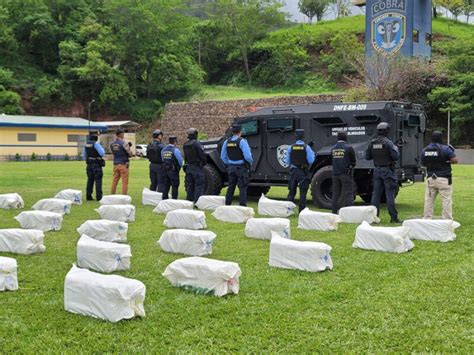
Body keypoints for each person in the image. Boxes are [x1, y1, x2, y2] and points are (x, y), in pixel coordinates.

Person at [365, 122, 401, 223]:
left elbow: (367, 157)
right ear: (387, 131)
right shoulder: (388, 143)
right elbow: (396, 157)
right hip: (387, 170)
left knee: (375, 194)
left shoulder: (372, 142)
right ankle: (393, 218)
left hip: (376, 170)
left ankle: (374, 217)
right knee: (390, 194)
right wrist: (396, 147)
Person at [421, 131, 458, 220]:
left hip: (431, 178)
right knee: (446, 200)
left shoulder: (425, 150)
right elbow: (455, 160)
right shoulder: (445, 149)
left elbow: (423, 163)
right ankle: (447, 220)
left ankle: (427, 219)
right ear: (441, 138)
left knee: (429, 200)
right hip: (444, 178)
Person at [220, 124, 253, 206]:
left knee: (231, 186)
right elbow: (248, 156)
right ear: (240, 132)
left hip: (231, 167)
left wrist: (229, 163)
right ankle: (242, 205)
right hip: (241, 167)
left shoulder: (226, 142)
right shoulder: (242, 141)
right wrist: (250, 163)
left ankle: (227, 204)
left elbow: (223, 156)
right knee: (242, 187)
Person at [285, 129, 316, 213]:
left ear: (295, 136)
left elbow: (287, 162)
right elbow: (311, 161)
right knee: (303, 192)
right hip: (303, 172)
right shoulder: (307, 147)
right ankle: (301, 211)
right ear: (303, 137)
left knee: (291, 192)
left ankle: (288, 211)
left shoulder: (290, 147)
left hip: (293, 171)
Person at [331, 130, 356, 214]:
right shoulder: (349, 148)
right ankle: (349, 213)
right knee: (348, 193)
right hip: (345, 174)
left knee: (336, 194)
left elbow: (332, 160)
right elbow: (353, 162)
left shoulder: (333, 148)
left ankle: (334, 212)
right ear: (346, 137)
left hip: (335, 174)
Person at [183, 128, 207, 203]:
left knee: (190, 185)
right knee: (199, 185)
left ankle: (189, 201)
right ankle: (197, 202)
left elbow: (185, 157)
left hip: (189, 166)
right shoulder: (196, 144)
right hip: (197, 167)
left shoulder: (185, 144)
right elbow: (202, 155)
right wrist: (203, 162)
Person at [83, 131, 105, 201]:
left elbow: (84, 155)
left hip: (89, 164)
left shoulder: (85, 144)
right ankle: (99, 197)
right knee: (98, 181)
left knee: (90, 180)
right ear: (96, 139)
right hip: (96, 164)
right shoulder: (96, 144)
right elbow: (102, 153)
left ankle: (88, 196)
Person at [110, 128, 133, 195]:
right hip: (123, 164)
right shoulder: (124, 143)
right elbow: (130, 153)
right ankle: (124, 196)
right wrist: (129, 148)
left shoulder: (112, 144)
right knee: (124, 182)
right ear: (121, 134)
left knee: (114, 181)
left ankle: (112, 195)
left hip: (115, 164)